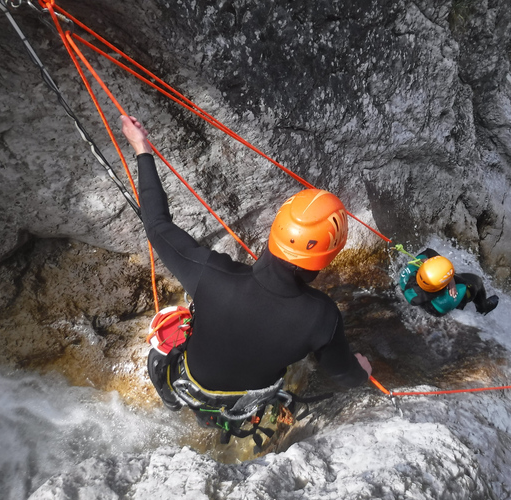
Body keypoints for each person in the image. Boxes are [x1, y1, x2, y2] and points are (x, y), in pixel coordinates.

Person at [119, 116, 371, 423]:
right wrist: (362, 371)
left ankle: (178, 402)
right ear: (326, 258)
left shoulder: (211, 275)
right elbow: (345, 374)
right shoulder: (322, 316)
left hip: (190, 383)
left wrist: (141, 147)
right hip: (246, 405)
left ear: (275, 229)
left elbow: (157, 225)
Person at [399, 248, 499, 316]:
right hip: (438, 307)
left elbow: (428, 252)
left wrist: (430, 262)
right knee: (475, 283)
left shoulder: (407, 276)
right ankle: (483, 308)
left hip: (427, 295)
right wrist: (451, 279)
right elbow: (465, 285)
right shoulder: (445, 301)